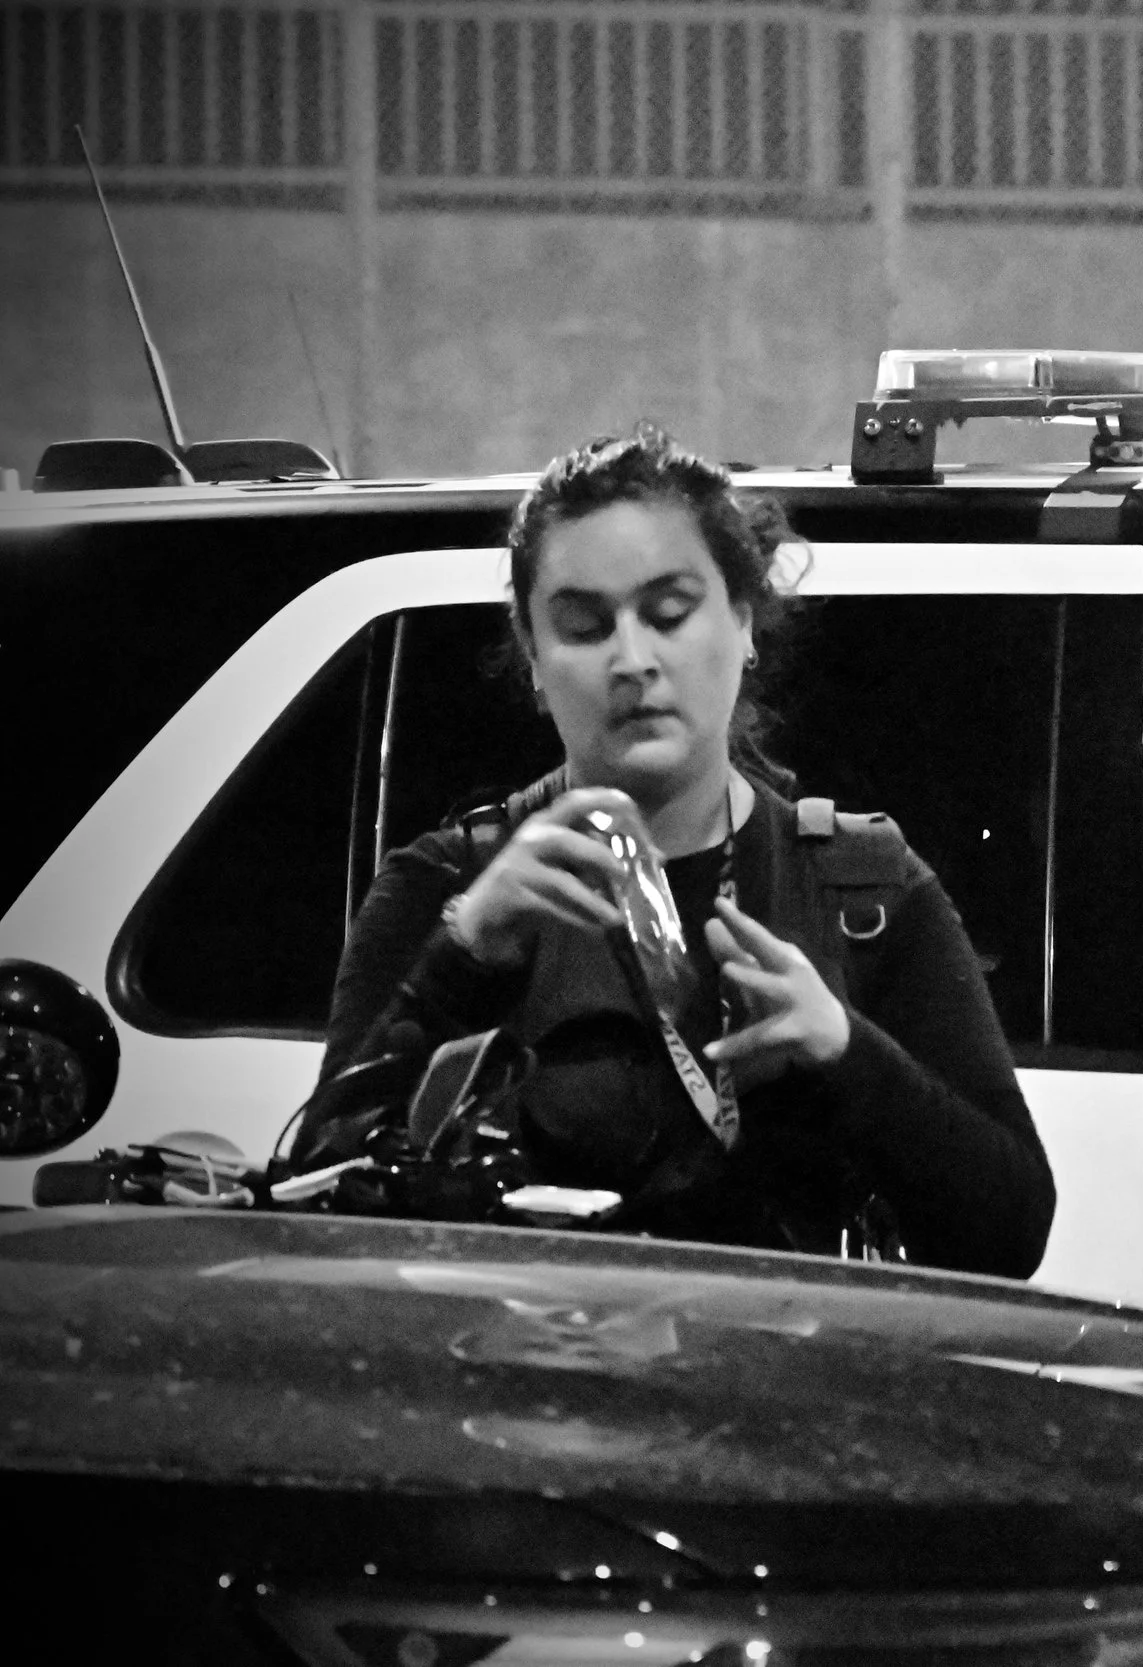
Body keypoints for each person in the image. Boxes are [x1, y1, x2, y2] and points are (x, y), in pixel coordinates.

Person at [307, 426, 1055, 1278]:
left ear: (743, 620)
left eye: (669, 613)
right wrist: (463, 957)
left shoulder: (863, 891)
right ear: (533, 655)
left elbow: (1014, 1233)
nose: (633, 660)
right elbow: (311, 1200)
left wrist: (848, 1053)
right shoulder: (450, 886)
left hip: (785, 1389)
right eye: (585, 626)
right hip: (523, 1394)